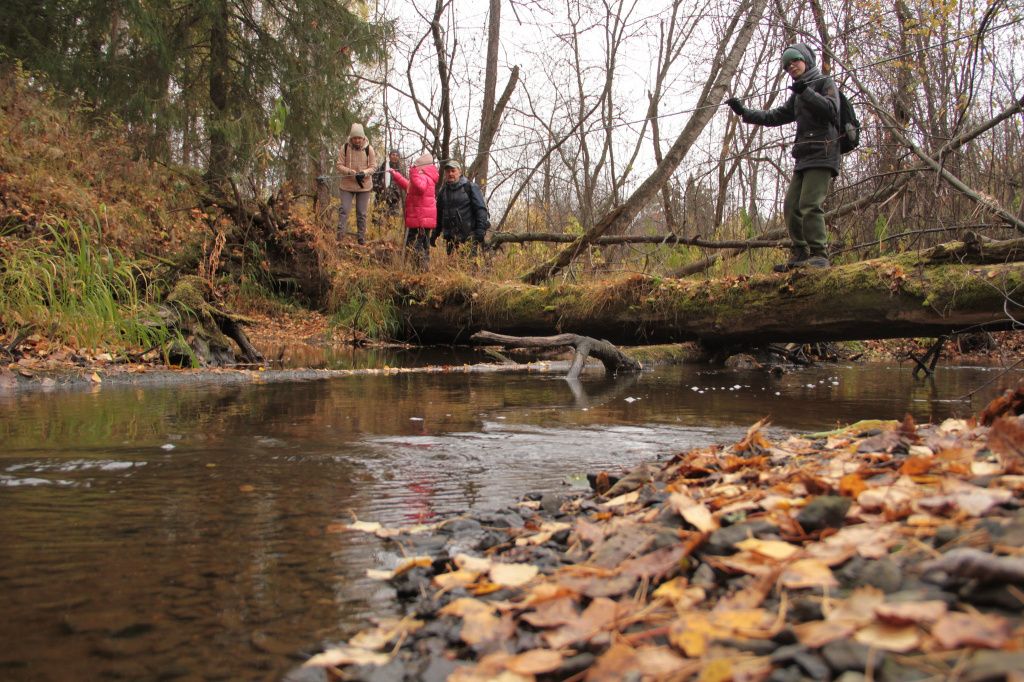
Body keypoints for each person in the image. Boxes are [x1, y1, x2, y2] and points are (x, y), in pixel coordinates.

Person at [726, 43, 840, 270]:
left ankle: (820, 254)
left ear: (806, 60)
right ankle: (801, 252)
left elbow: (831, 110)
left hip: (824, 152)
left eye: (795, 61)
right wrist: (744, 112)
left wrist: (806, 92)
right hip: (804, 156)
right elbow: (774, 116)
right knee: (791, 206)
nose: (791, 67)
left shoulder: (823, 83)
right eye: (787, 66)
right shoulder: (798, 93)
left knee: (809, 204)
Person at [389, 152, 439, 268]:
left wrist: (413, 173)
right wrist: (396, 176)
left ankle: (422, 269)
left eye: (417, 165)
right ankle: (412, 266)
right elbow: (409, 187)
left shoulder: (426, 177)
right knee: (412, 243)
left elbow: (420, 188)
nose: (414, 167)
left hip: (422, 218)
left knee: (421, 245)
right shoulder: (421, 177)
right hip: (416, 217)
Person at [434, 160, 489, 255]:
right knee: (452, 268)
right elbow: (439, 214)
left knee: (469, 267)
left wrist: (480, 229)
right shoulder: (443, 192)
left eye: (453, 171)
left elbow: (481, 209)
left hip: (469, 238)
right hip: (450, 240)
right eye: (447, 171)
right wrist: (435, 233)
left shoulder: (470, 187)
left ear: (459, 172)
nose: (450, 174)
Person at [335, 122, 377, 245]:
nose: (357, 140)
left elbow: (373, 167)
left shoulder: (370, 149)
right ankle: (340, 236)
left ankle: (361, 238)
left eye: (359, 138)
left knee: (361, 213)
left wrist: (364, 172)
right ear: (351, 138)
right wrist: (349, 171)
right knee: (344, 210)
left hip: (364, 186)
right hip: (347, 185)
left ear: (363, 137)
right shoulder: (345, 147)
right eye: (355, 138)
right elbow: (339, 165)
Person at [373, 149, 406, 218]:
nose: (395, 157)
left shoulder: (401, 170)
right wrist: (379, 188)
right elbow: (374, 179)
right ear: (390, 156)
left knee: (392, 221)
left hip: (394, 200)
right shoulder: (383, 167)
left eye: (397, 155)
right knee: (377, 220)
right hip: (381, 197)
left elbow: (405, 184)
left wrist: (399, 193)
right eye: (393, 155)